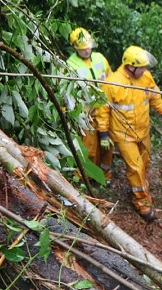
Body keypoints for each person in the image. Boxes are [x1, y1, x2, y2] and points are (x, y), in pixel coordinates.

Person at [96, 46, 162, 223]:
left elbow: (155, 96)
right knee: (136, 167)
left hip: (143, 131)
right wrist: (103, 133)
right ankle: (142, 204)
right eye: (142, 67)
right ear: (131, 67)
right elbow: (102, 109)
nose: (145, 70)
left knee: (144, 163)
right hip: (123, 135)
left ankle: (139, 188)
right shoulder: (113, 83)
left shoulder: (145, 77)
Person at [66, 27, 114, 184]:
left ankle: (105, 176)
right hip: (86, 114)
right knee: (90, 148)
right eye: (83, 49)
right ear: (75, 48)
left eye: (88, 48)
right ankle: (85, 178)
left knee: (108, 146)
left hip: (105, 109)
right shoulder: (70, 64)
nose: (87, 51)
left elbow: (111, 79)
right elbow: (66, 90)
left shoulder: (100, 58)